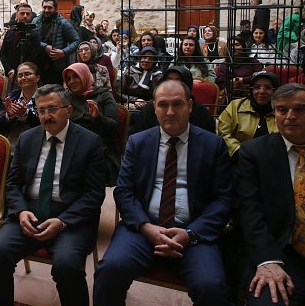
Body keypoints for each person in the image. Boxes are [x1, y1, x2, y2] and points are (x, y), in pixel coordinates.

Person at [93, 80, 234, 305]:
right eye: (163, 104)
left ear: (190, 105)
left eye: (177, 104)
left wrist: (190, 233)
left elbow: (224, 199)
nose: (170, 111)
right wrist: (147, 228)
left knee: (212, 286)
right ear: (154, 107)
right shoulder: (138, 142)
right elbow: (124, 191)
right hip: (143, 229)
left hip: (194, 232)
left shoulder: (212, 145)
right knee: (110, 269)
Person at [0, 84, 106, 306]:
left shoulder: (90, 142)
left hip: (69, 216)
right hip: (28, 212)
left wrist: (63, 222)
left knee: (67, 266)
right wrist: (20, 211)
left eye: (52, 109)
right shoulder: (27, 138)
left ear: (68, 110)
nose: (46, 116)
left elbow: (94, 194)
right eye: (41, 110)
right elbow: (12, 183)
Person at [235, 83, 305, 306]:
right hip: (279, 250)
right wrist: (268, 260)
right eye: (282, 110)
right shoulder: (254, 153)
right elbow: (249, 210)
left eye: (300, 109)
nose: (290, 116)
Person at [63, 63, 120, 185]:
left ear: (85, 76)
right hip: (70, 148)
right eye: (69, 78)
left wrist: (98, 117)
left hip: (100, 149)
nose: (72, 81)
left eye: (76, 76)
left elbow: (114, 127)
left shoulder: (104, 95)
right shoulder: (66, 98)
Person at [131, 66, 216, 135]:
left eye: (178, 80)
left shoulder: (200, 113)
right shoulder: (150, 109)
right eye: (169, 79)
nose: (173, 83)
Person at [217, 71, 279, 162]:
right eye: (257, 87)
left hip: (273, 160)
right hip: (239, 158)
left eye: (268, 88)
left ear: (275, 91)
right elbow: (224, 134)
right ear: (251, 89)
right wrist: (241, 152)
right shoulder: (235, 106)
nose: (262, 91)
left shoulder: (282, 110)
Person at [33, 0, 80, 85]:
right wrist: (45, 46)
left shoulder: (64, 23)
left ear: (56, 9)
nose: (46, 10)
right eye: (44, 7)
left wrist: (63, 52)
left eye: (50, 8)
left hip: (57, 66)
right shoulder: (35, 21)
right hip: (38, 64)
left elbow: (76, 41)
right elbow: (31, 39)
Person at [0, 62, 41, 147]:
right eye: (20, 76)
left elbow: (45, 126)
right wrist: (8, 116)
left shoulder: (45, 97)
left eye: (27, 74)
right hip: (11, 145)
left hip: (37, 145)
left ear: (37, 78)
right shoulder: (12, 96)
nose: (23, 78)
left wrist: (25, 114)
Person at [0, 3, 42, 83]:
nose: (25, 16)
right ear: (17, 14)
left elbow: (35, 55)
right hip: (10, 74)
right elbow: (3, 53)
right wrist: (9, 69)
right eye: (22, 13)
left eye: (28, 14)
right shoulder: (10, 33)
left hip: (27, 75)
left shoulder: (34, 34)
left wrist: (22, 71)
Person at [119, 46, 163, 110]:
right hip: (130, 105)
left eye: (150, 58)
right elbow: (118, 93)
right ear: (140, 58)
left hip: (149, 108)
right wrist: (134, 100)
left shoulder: (158, 76)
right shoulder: (129, 72)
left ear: (154, 61)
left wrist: (144, 104)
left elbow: (158, 98)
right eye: (144, 57)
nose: (147, 60)